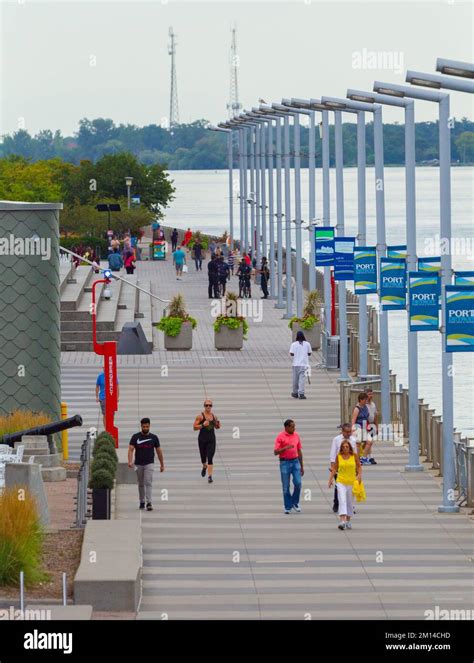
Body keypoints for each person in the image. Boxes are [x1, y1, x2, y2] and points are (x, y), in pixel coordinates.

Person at [128, 418, 164, 511]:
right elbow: (131, 449)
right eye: (144, 427)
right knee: (140, 483)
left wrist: (162, 464)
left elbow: (159, 451)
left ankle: (149, 502)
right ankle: (142, 501)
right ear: (141, 426)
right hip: (138, 464)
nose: (145, 428)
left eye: (147, 427)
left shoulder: (154, 437)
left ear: (149, 426)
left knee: (148, 482)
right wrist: (130, 461)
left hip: (149, 463)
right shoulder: (135, 437)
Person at [328, 440, 362, 530]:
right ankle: (342, 521)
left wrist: (359, 476)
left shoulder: (354, 456)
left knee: (349, 502)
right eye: (343, 447)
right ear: (341, 448)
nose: (345, 448)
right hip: (341, 481)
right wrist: (330, 479)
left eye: (347, 446)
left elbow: (359, 467)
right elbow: (334, 468)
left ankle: (348, 521)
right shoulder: (338, 456)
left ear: (350, 447)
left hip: (351, 482)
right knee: (342, 500)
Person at [274, 419, 304, 514]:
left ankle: (295, 502)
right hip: (285, 463)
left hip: (295, 462)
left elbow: (299, 451)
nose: (294, 428)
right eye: (292, 426)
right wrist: (285, 448)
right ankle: (287, 506)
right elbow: (275, 452)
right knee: (286, 486)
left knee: (298, 483)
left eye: (294, 426)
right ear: (286, 427)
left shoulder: (296, 436)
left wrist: (302, 466)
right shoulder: (280, 437)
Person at [329, 423, 358, 513]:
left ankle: (350, 505)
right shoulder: (336, 440)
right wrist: (333, 466)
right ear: (342, 431)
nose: (348, 434)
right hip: (339, 466)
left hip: (350, 467)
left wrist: (357, 469)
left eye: (350, 432)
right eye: (346, 432)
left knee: (350, 486)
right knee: (339, 486)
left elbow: (355, 455)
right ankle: (337, 503)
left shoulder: (353, 440)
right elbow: (333, 454)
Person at [193, 400, 220, 483]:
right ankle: (204, 466)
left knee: (210, 457)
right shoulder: (200, 416)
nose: (208, 407)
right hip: (202, 440)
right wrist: (202, 425)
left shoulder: (214, 416)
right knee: (203, 457)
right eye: (206, 405)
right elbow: (194, 427)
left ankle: (210, 476)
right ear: (204, 406)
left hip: (211, 440)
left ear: (212, 406)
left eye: (210, 405)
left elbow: (218, 427)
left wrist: (217, 423)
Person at [289, 331, 312, 400]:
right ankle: (301, 393)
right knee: (302, 379)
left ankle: (295, 392)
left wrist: (297, 353)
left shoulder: (293, 344)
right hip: (304, 364)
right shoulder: (307, 344)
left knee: (295, 379)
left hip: (295, 364)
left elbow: (291, 354)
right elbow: (309, 353)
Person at [351, 392, 372, 465]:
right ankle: (357, 459)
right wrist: (352, 429)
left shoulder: (365, 407)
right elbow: (353, 419)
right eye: (365, 400)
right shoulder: (357, 408)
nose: (366, 401)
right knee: (358, 443)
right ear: (361, 400)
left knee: (369, 441)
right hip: (357, 427)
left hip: (364, 427)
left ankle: (364, 458)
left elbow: (367, 417)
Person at [364, 388, 378, 465]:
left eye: (372, 394)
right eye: (369, 394)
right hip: (366, 424)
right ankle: (368, 457)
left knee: (370, 442)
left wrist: (376, 426)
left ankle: (369, 457)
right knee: (368, 442)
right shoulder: (363, 405)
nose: (371, 396)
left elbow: (375, 415)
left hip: (372, 424)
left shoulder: (373, 404)